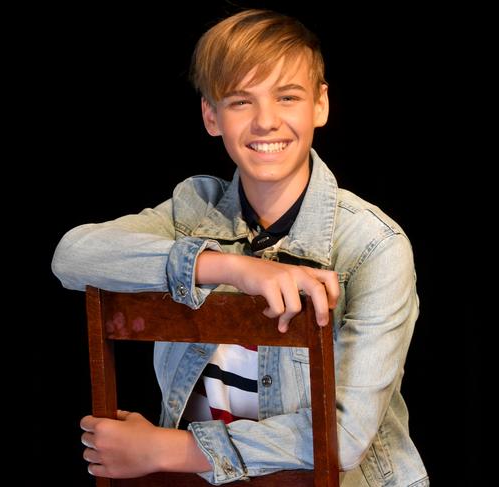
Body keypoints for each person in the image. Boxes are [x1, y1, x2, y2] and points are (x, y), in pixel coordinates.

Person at [52, 8, 428, 486]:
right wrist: (231, 268)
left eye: (287, 97)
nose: (266, 122)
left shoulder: (374, 245)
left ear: (320, 105)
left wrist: (169, 449)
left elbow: (345, 435)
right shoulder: (193, 212)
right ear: (212, 115)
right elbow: (72, 256)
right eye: (240, 102)